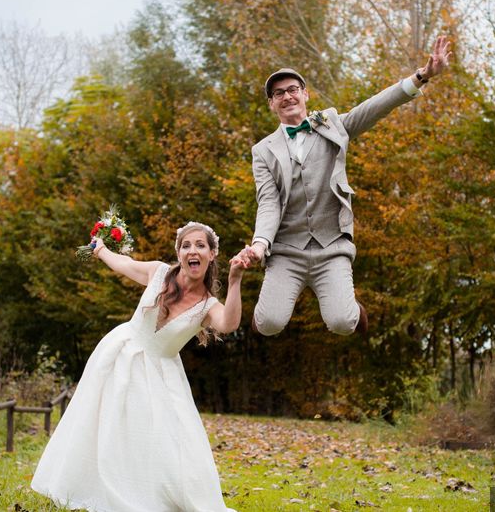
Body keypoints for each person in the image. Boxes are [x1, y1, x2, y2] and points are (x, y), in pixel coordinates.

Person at [239, 36, 452, 336]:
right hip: (287, 249)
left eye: (292, 90)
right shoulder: (263, 150)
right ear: (272, 103)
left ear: (305, 95)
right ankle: (266, 313)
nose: (287, 97)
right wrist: (260, 245)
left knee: (341, 323)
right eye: (278, 93)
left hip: (331, 246)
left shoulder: (332, 124)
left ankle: (354, 310)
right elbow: (268, 202)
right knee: (269, 325)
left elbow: (373, 108)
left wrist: (421, 76)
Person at [31, 221, 246, 512]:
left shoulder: (207, 305)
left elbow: (229, 323)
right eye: (185, 245)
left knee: (163, 438)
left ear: (211, 254)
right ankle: (89, 485)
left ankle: (154, 494)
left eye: (200, 245)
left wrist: (235, 281)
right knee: (105, 424)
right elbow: (124, 264)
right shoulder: (158, 273)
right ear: (179, 253)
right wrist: (102, 249)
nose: (192, 251)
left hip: (161, 375)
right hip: (120, 355)